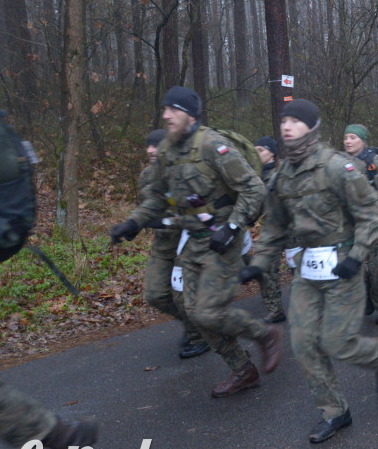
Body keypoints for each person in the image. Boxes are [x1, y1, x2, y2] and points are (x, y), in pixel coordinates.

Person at [240, 100, 378, 443]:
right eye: (284, 120)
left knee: (337, 342)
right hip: (308, 272)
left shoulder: (339, 168)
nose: (286, 126)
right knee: (304, 342)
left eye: (295, 121)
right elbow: (274, 228)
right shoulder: (283, 175)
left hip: (343, 264)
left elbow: (372, 214)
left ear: (311, 127)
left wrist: (357, 255)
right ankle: (335, 412)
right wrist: (257, 263)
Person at [111, 86, 280, 398]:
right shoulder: (167, 152)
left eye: (172, 110)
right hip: (192, 241)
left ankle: (265, 334)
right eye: (164, 110)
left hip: (222, 241)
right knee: (193, 312)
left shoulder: (213, 146)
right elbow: (156, 197)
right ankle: (243, 369)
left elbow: (254, 189)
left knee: (208, 311)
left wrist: (232, 227)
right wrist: (133, 222)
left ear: (189, 114)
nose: (165, 115)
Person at [139, 129, 210, 358]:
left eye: (155, 145)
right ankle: (198, 324)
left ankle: (199, 336)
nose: (150, 150)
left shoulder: (185, 172)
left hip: (185, 242)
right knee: (155, 294)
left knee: (181, 295)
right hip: (162, 244)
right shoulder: (146, 176)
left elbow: (200, 209)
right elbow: (147, 208)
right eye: (148, 146)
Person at [343, 124, 378, 325]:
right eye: (346, 137)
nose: (348, 141)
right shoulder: (341, 163)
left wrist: (375, 217)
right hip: (353, 229)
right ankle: (369, 299)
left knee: (375, 271)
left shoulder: (374, 162)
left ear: (363, 140)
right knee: (356, 269)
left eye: (353, 137)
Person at [252, 135, 287, 323]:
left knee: (302, 270)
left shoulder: (282, 173)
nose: (257, 154)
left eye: (261, 150)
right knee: (266, 269)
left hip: (293, 230)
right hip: (272, 231)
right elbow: (257, 203)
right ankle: (275, 309)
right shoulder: (257, 176)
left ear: (271, 153)